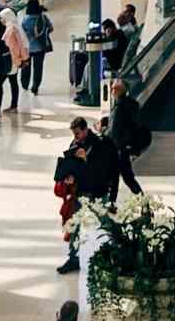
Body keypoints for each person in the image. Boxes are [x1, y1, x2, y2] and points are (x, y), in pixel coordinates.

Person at [56, 116, 120, 273]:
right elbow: (72, 166)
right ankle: (73, 258)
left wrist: (87, 159)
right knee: (74, 226)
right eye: (74, 134)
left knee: (106, 223)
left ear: (85, 130)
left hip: (97, 192)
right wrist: (69, 178)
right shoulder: (75, 145)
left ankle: (119, 252)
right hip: (81, 192)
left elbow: (104, 170)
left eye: (77, 133)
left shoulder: (100, 144)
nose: (75, 137)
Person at [106, 80, 150, 196]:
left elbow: (131, 126)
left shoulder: (126, 105)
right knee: (114, 178)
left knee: (127, 177)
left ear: (123, 90)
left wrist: (126, 144)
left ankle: (143, 203)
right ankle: (112, 204)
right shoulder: (118, 105)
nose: (112, 91)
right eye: (112, 88)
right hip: (116, 148)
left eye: (116, 88)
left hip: (121, 148)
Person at [22, 0, 54, 95]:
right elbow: (51, 28)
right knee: (38, 68)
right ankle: (35, 86)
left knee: (26, 67)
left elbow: (22, 33)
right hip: (41, 47)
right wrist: (44, 33)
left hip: (27, 48)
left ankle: (25, 84)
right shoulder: (43, 18)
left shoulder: (25, 19)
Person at [1, 7, 29, 111]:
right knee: (13, 82)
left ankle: (11, 106)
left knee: (2, 83)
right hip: (13, 60)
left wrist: (20, 59)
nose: (1, 20)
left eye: (2, 18)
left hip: (11, 60)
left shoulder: (12, 29)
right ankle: (13, 105)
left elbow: (15, 46)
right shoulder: (13, 27)